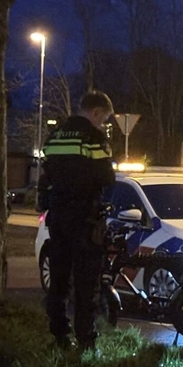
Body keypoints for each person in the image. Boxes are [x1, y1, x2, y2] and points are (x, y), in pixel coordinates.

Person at [41, 91, 116, 351]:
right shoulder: (94, 139)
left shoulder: (55, 135)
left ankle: (60, 334)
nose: (103, 124)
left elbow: (46, 176)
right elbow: (107, 179)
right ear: (95, 112)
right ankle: (86, 340)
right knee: (87, 282)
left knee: (59, 280)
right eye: (103, 118)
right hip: (85, 218)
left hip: (58, 217)